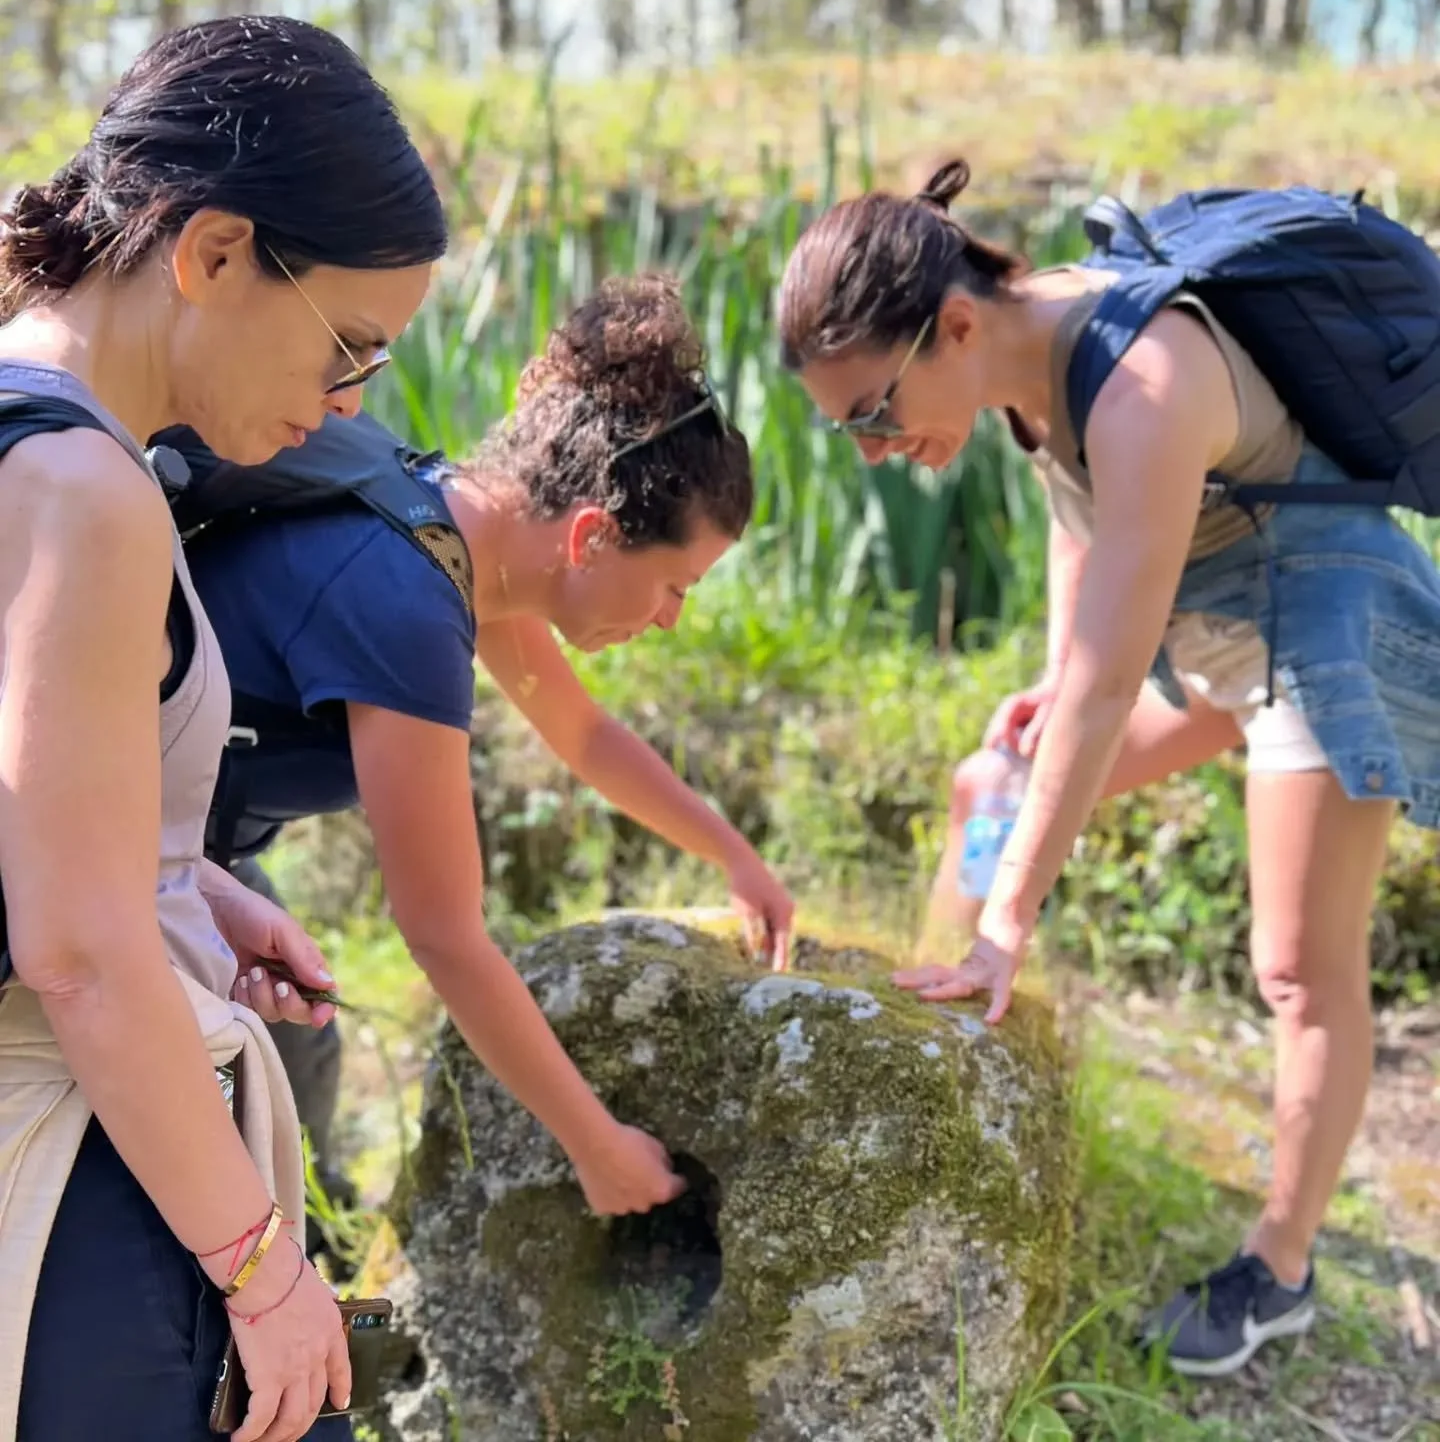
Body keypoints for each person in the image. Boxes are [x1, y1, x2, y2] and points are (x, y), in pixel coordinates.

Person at [774, 159, 1440, 1379]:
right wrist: (1041, 682)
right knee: (996, 778)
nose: (873, 452)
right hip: (1218, 636)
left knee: (1298, 966)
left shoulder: (1145, 379)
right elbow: (1081, 552)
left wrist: (1011, 918)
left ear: (956, 325)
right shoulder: (1025, 368)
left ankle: (1279, 1270)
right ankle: (932, 1055)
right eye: (847, 430)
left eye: (872, 413)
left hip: (1324, 634)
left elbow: (1105, 681)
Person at [0, 15, 448, 1442]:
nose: (344, 404)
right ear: (212, 252)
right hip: (66, 1173)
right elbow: (72, 953)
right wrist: (265, 1271)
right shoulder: (86, 489)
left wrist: (184, 879)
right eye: (350, 347)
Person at [158, 271, 796, 1250]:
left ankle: (305, 1246)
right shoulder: (406, 607)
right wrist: (597, 1144)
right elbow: (446, 935)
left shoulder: (450, 529)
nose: (671, 617)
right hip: (98, 850)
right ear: (591, 536)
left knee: (298, 1057)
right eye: (675, 584)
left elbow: (582, 734)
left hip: (193, 851)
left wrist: (733, 855)